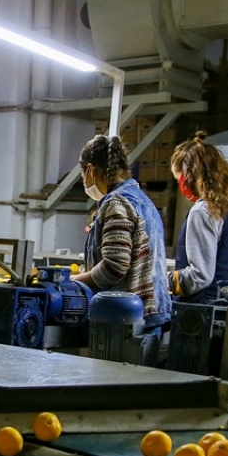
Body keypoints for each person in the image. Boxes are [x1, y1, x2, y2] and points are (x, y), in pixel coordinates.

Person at [71, 135, 172, 331]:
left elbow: (114, 268)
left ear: (90, 170)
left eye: (83, 176)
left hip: (126, 320)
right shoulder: (142, 200)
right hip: (148, 315)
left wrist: (70, 281)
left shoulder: (116, 203)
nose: (85, 182)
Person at [168, 132, 228, 304]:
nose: (181, 187)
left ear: (188, 176)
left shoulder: (203, 211)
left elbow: (200, 276)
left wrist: (164, 281)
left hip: (202, 312)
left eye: (179, 180)